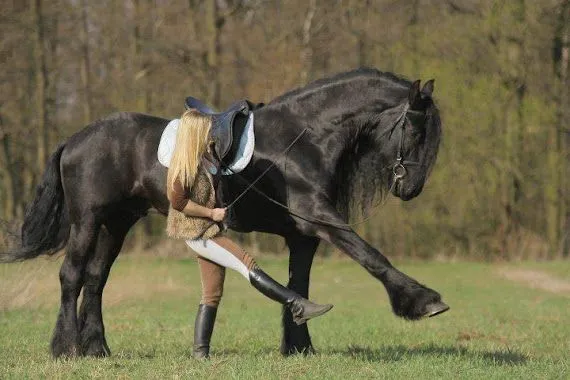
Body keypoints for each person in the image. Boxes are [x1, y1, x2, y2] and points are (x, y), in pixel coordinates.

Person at [165, 109, 333, 359]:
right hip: (198, 233)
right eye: (204, 131)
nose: (209, 134)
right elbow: (178, 202)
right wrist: (211, 214)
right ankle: (296, 305)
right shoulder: (183, 166)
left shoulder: (204, 157)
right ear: (193, 134)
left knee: (212, 293)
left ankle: (200, 354)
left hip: (208, 229)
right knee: (246, 263)